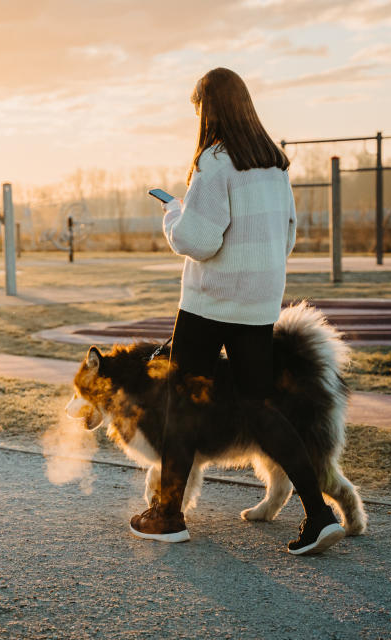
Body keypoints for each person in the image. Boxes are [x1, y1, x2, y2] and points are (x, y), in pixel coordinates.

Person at [129, 68, 345, 555]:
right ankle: (319, 513)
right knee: (261, 407)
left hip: (209, 304)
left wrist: (173, 212)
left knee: (182, 405)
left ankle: (167, 515)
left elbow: (198, 240)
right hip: (258, 303)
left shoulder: (215, 159)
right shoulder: (274, 163)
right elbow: (287, 235)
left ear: (209, 109)